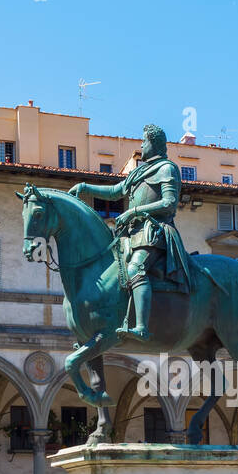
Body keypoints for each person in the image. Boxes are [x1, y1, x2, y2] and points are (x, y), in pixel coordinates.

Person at [68, 123, 192, 341]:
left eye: (144, 141)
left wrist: (134, 210)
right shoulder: (140, 171)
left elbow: (170, 203)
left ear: (153, 143)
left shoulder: (167, 169)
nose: (141, 146)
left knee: (136, 269)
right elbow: (116, 191)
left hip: (155, 233)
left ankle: (142, 327)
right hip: (132, 234)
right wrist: (86, 187)